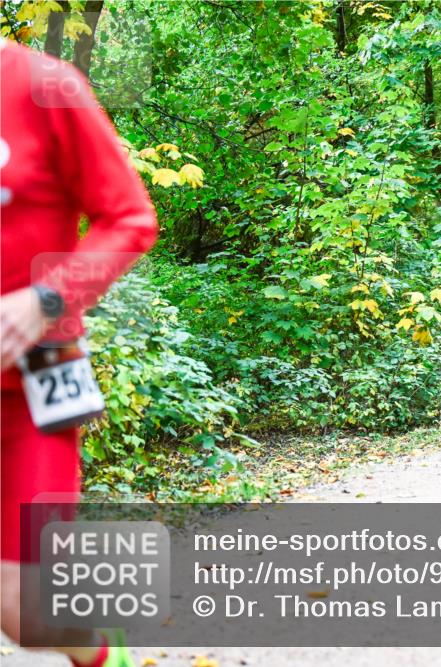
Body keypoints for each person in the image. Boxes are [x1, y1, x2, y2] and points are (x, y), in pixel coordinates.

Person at [1, 41, 158, 667]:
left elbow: (130, 218)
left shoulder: (43, 85)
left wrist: (44, 299)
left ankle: (99, 650)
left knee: (26, 609)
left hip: (33, 389)